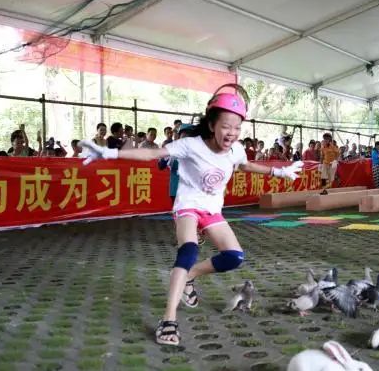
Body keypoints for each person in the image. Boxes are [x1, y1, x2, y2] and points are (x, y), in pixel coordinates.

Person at [78, 84, 303, 346]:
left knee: (234, 257)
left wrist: (279, 172)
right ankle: (168, 319)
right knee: (188, 250)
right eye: (226, 126)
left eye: (237, 128)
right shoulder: (190, 145)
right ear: (211, 125)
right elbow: (152, 153)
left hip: (212, 210)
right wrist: (110, 152)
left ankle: (190, 276)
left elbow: (245, 165)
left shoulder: (236, 149)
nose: (231, 133)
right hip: (187, 206)